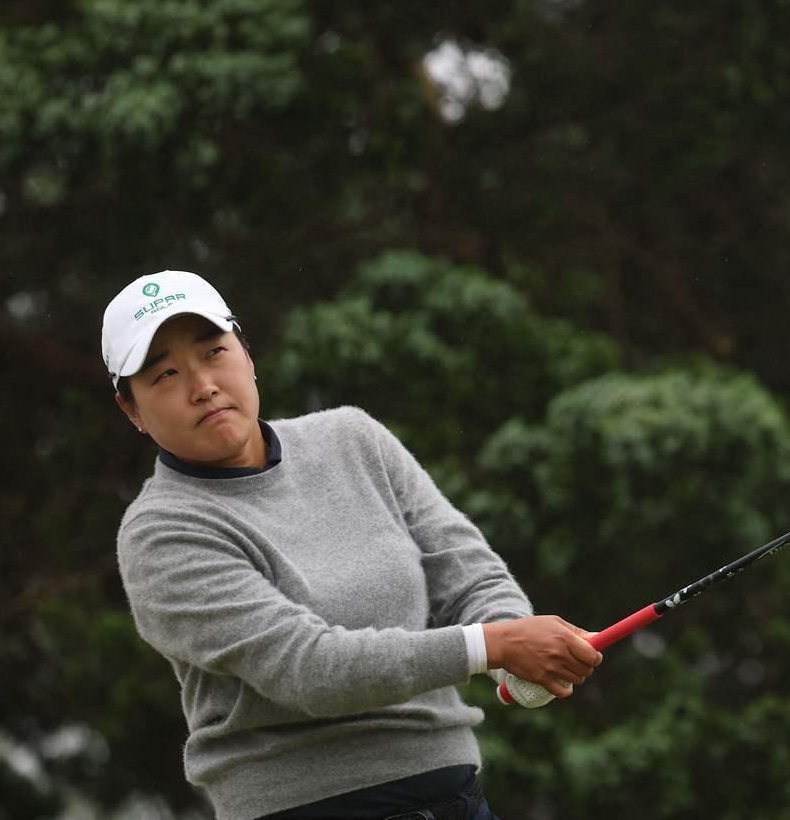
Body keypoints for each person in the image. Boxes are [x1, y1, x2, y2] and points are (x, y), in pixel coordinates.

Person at [104, 270, 602, 820]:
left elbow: (464, 570)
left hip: (455, 795)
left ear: (246, 353)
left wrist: (513, 643)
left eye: (214, 352)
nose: (202, 385)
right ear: (133, 411)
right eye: (166, 374)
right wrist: (495, 645)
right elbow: (310, 670)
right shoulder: (160, 533)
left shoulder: (351, 439)